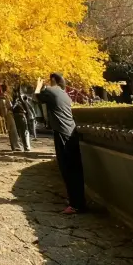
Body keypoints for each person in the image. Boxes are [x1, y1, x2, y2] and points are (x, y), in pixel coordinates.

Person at [35, 73, 86, 214]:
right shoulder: (65, 94)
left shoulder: (52, 91)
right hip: (71, 132)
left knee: (67, 169)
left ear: (52, 80)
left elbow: (37, 98)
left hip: (62, 134)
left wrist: (38, 86)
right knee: (76, 169)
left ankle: (75, 205)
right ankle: (78, 201)